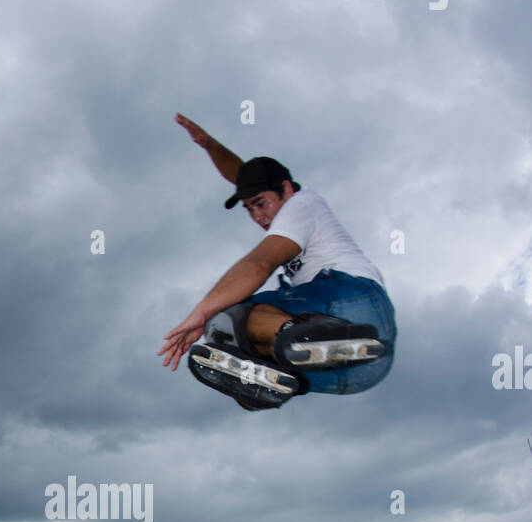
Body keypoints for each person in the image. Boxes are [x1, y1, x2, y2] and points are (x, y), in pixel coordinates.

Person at [158, 113, 397, 410]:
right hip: (360, 371)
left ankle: (302, 339)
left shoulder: (301, 204)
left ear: (287, 189)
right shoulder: (281, 196)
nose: (258, 217)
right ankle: (279, 368)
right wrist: (210, 146)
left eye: (260, 204)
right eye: (249, 209)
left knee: (228, 317)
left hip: (353, 301)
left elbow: (260, 263)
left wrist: (202, 312)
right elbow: (243, 176)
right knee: (227, 338)